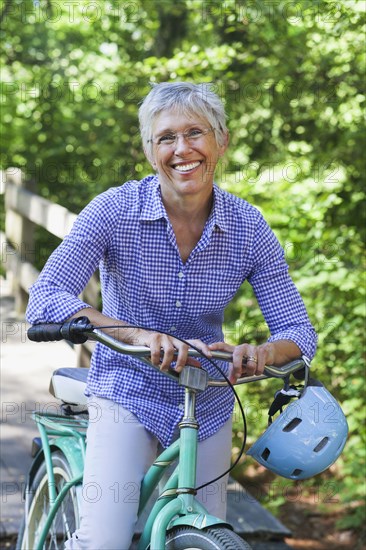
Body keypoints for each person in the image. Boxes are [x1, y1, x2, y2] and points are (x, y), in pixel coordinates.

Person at [26, 82, 317, 549]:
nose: (182, 149)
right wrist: (137, 335)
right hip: (128, 389)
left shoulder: (248, 226)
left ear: (221, 140)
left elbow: (299, 332)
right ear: (149, 151)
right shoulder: (113, 210)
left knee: (203, 533)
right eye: (165, 138)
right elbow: (46, 296)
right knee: (104, 541)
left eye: (195, 133)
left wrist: (262, 352)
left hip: (210, 400)